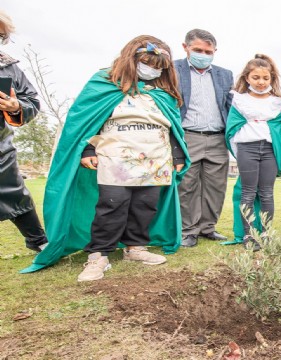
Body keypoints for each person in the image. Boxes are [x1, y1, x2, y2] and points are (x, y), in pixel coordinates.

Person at [23, 35, 190, 279]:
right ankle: (98, 255)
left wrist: (177, 154)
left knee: (145, 205)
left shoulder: (164, 92)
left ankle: (135, 247)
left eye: (158, 67)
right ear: (131, 60)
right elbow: (85, 122)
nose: (152, 70)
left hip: (155, 157)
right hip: (115, 157)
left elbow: (173, 127)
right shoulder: (104, 84)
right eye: (147, 64)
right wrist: (88, 150)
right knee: (112, 204)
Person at [175, 29, 234, 248]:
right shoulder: (173, 69)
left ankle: (207, 227)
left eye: (208, 51)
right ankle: (188, 230)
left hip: (218, 138)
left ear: (215, 51)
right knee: (187, 185)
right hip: (188, 135)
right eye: (198, 50)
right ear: (185, 47)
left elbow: (230, 106)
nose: (203, 54)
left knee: (216, 186)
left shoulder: (225, 74)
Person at [225, 54, 281, 251]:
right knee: (248, 193)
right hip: (247, 148)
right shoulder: (239, 100)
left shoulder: (278, 102)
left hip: (268, 149)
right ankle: (249, 234)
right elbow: (232, 126)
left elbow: (280, 129)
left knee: (267, 192)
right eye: (256, 78)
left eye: (265, 78)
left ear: (272, 78)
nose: (261, 82)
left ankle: (266, 233)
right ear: (247, 78)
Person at [0, 11, 48, 253]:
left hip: (0, 148)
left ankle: (38, 241)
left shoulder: (8, 67)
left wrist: (15, 106)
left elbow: (32, 102)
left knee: (15, 194)